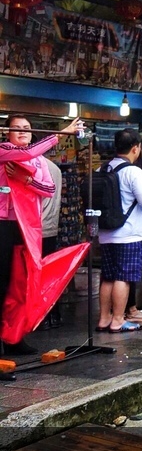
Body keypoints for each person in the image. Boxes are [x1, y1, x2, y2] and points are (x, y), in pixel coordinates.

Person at [0, 115, 81, 354]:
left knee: (22, 282)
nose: (23, 132)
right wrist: (62, 133)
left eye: (27, 128)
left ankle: (13, 337)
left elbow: (49, 189)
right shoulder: (4, 150)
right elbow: (25, 155)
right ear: (7, 132)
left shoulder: (40, 162)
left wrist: (25, 179)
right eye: (17, 128)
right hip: (4, 223)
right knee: (2, 280)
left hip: (28, 226)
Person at [96, 129, 142, 334]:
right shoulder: (134, 172)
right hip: (129, 234)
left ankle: (104, 319)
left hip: (105, 233)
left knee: (108, 277)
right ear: (136, 148)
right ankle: (118, 320)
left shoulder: (102, 168)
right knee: (123, 277)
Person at [38, 157, 63, 330]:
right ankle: (52, 314)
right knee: (48, 272)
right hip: (50, 226)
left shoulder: (28, 165)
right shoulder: (55, 168)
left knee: (31, 275)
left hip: (32, 228)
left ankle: (39, 316)